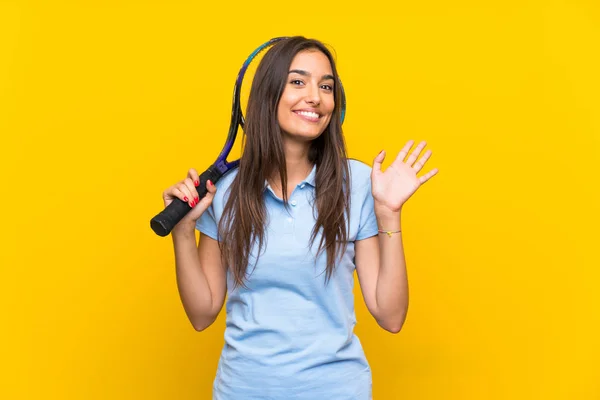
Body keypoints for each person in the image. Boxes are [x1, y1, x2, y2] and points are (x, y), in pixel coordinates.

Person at [161, 36, 438, 400]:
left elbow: (391, 316)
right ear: (268, 94)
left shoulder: (357, 185)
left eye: (326, 86)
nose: (315, 96)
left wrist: (389, 215)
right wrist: (183, 231)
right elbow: (201, 314)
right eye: (298, 81)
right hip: (242, 390)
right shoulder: (224, 192)